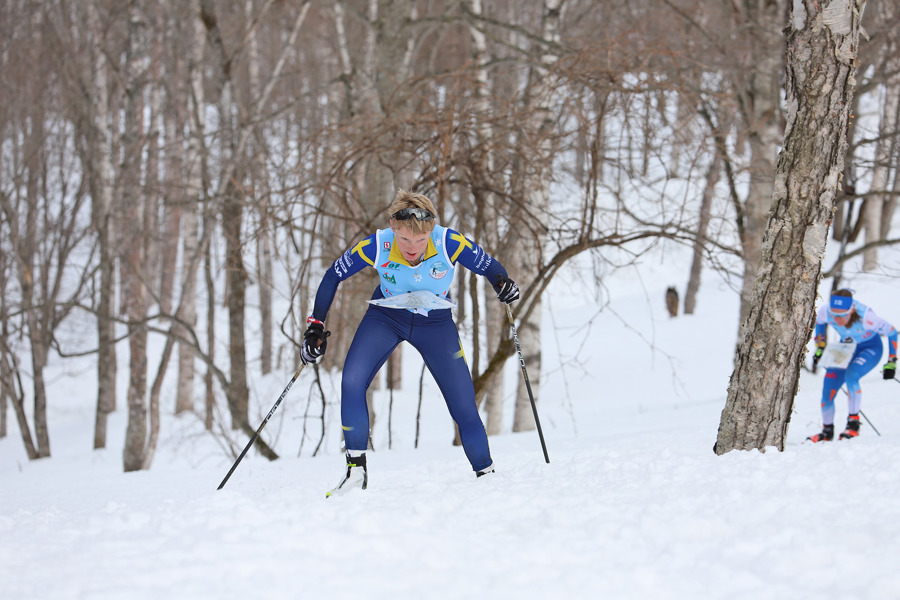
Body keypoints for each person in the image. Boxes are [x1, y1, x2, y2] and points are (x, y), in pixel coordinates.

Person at [300, 190, 520, 496]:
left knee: (463, 404)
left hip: (436, 324)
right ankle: (355, 471)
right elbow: (332, 275)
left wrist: (503, 284)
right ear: (393, 226)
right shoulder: (377, 244)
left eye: (420, 240)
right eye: (404, 239)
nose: (412, 248)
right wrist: (316, 325)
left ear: (431, 230)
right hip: (386, 318)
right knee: (351, 381)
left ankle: (486, 473)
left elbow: (490, 267)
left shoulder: (448, 241)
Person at [807, 289, 897, 442]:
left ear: (852, 310)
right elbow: (820, 323)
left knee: (851, 376)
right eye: (834, 315)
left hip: (870, 348)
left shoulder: (867, 317)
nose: (838, 320)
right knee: (828, 386)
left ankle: (853, 425)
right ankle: (827, 431)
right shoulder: (825, 311)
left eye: (842, 315)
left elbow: (892, 332)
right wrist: (820, 348)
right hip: (846, 348)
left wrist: (891, 362)